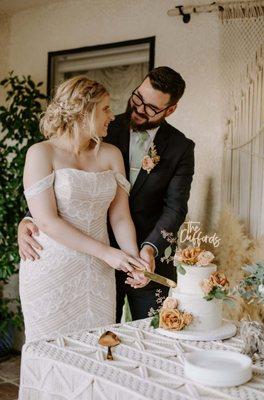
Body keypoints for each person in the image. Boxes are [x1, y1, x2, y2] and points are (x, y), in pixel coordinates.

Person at [18, 66, 195, 323]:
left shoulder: (181, 147)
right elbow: (49, 195)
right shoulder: (102, 129)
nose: (138, 108)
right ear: (84, 113)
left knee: (149, 335)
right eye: (138, 98)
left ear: (170, 110)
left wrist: (143, 254)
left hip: (139, 253)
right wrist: (27, 220)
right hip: (72, 258)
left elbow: (175, 208)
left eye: (150, 107)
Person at [19, 76, 147, 343]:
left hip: (98, 273)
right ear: (84, 110)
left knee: (97, 350)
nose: (112, 116)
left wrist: (133, 261)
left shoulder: (111, 154)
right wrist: (107, 253)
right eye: (105, 108)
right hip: (51, 269)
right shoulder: (41, 153)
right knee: (52, 351)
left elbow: (120, 215)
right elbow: (47, 221)